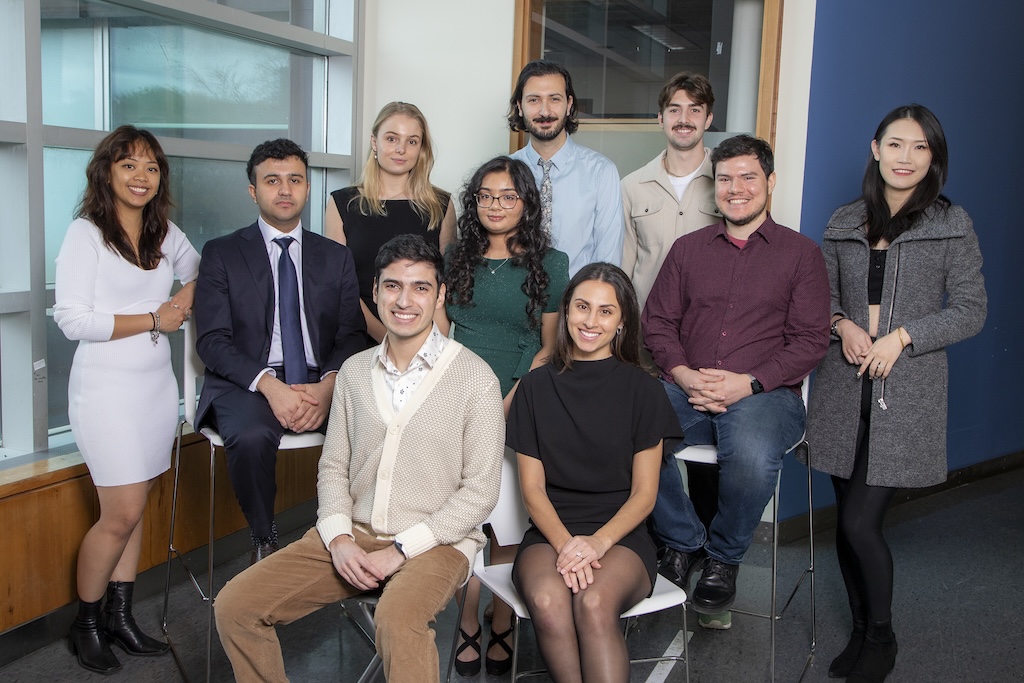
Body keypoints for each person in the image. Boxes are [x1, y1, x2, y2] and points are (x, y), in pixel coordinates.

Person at [214, 234, 505, 683]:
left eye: (420, 287)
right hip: (354, 534)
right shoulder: (352, 372)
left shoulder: (476, 378)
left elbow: (480, 492)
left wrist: (401, 551)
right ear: (374, 292)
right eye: (392, 286)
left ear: (441, 294)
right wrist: (338, 538)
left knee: (398, 619)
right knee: (236, 606)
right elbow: (333, 467)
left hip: (436, 544)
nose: (404, 300)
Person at [806, 104, 986, 683]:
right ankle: (859, 632)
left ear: (933, 158)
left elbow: (970, 311)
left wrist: (904, 336)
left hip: (903, 393)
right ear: (875, 149)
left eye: (920, 147)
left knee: (862, 524)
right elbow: (818, 300)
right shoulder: (843, 221)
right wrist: (843, 325)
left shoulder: (951, 223)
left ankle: (881, 637)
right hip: (842, 386)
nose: (906, 157)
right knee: (846, 521)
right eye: (896, 144)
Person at [642, 134, 830, 614]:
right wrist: (683, 374)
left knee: (750, 452)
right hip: (687, 386)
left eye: (748, 177)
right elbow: (657, 322)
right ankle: (683, 540)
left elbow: (811, 340)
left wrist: (746, 382)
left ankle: (723, 558)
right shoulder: (688, 250)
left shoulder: (801, 254)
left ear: (769, 182)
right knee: (628, 428)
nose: (736, 188)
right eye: (725, 178)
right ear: (714, 186)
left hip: (765, 395)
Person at [54, 125, 199, 674]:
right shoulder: (85, 234)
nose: (141, 177)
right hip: (106, 391)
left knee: (136, 514)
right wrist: (154, 318)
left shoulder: (164, 231)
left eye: (151, 167)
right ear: (106, 172)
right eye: (128, 165)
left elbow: (202, 269)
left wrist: (182, 298)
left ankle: (120, 616)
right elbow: (72, 320)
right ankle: (85, 623)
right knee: (123, 513)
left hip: (154, 389)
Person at [193, 138, 365, 564]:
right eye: (272, 181)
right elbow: (212, 340)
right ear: (253, 191)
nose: (285, 190)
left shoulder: (336, 257)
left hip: (319, 377)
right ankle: (264, 540)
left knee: (383, 422)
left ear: (307, 188)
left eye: (295, 180)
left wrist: (328, 386)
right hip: (248, 379)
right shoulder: (222, 253)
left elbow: (351, 334)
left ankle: (357, 538)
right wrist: (271, 386)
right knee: (251, 436)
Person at [507, 262, 681, 682]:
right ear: (566, 312)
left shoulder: (645, 390)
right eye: (582, 307)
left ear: (622, 321)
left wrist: (597, 544)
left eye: (606, 311)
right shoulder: (533, 388)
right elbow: (532, 490)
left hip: (621, 536)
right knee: (548, 602)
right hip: (550, 533)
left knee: (593, 602)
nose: (591, 321)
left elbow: (644, 494)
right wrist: (568, 545)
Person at [440, 155, 569, 676]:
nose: (496, 205)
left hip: (521, 396)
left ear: (527, 203)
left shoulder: (552, 263)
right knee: (460, 521)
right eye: (486, 196)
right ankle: (467, 621)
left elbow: (547, 345)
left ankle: (502, 619)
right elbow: (441, 331)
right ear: (474, 203)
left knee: (507, 526)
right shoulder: (455, 256)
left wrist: (506, 397)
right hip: (454, 392)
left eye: (508, 196)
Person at [325, 101, 457, 346]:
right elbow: (340, 285)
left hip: (425, 339)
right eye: (392, 139)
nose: (401, 149)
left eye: (412, 141)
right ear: (375, 142)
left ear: (421, 149)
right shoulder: (342, 204)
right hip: (358, 335)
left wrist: (438, 344)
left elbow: (442, 285)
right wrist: (388, 339)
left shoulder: (441, 205)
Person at [508, 60, 624, 276]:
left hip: (576, 303)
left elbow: (608, 258)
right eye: (534, 100)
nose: (545, 111)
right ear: (519, 107)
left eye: (555, 99)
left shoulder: (601, 172)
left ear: (569, 105)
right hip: (515, 302)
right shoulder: (503, 172)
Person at [621, 71, 721, 311]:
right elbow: (624, 267)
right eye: (674, 110)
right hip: (644, 330)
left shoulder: (726, 185)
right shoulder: (631, 186)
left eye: (695, 110)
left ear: (708, 119)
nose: (683, 119)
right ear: (660, 118)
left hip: (706, 326)